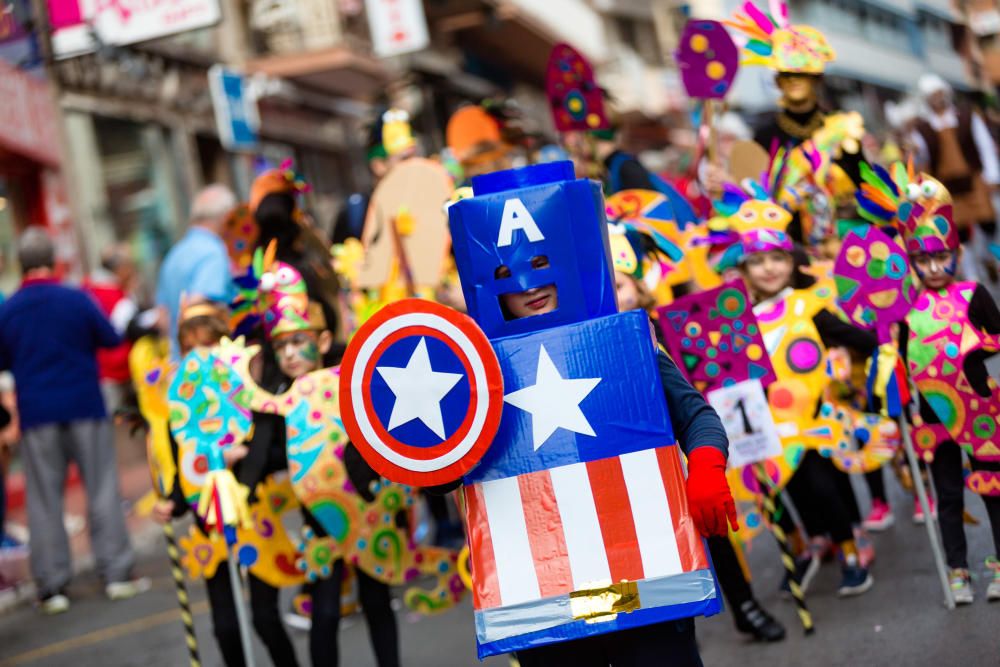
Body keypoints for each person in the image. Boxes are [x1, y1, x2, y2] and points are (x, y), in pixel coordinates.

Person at [609, 223, 785, 643]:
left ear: (638, 286)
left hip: (679, 451)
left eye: (620, 285)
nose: (616, 295)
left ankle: (744, 603)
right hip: (622, 464)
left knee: (714, 532)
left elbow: (706, 371)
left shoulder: (662, 325)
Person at [0, 228, 148, 614]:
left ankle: (52, 586)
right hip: (85, 404)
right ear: (54, 260)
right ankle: (116, 574)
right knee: (101, 488)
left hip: (37, 413)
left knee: (44, 499)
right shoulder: (75, 300)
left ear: (22, 264)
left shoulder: (9, 309)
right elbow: (111, 339)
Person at [150, 300, 301, 667]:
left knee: (265, 619)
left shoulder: (248, 398)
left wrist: (243, 454)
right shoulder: (181, 412)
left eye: (207, 346)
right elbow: (184, 473)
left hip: (252, 518)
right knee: (225, 627)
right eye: (189, 350)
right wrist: (172, 502)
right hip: (211, 527)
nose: (198, 358)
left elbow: (278, 453)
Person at [912, 74, 999, 280]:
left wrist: (992, 175)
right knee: (958, 234)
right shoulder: (923, 130)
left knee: (988, 224)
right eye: (933, 96)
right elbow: (921, 159)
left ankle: (989, 258)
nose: (938, 99)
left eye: (940, 93)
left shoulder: (967, 116)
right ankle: (971, 276)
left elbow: (984, 145)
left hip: (974, 179)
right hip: (946, 187)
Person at [156, 184, 237, 356]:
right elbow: (197, 303)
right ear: (225, 218)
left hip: (182, 363)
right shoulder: (214, 253)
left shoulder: (174, 254)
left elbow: (162, 317)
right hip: (208, 366)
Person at [83, 243, 139, 414]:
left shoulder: (87, 288)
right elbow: (122, 331)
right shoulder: (115, 295)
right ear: (120, 269)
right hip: (115, 368)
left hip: (96, 369)